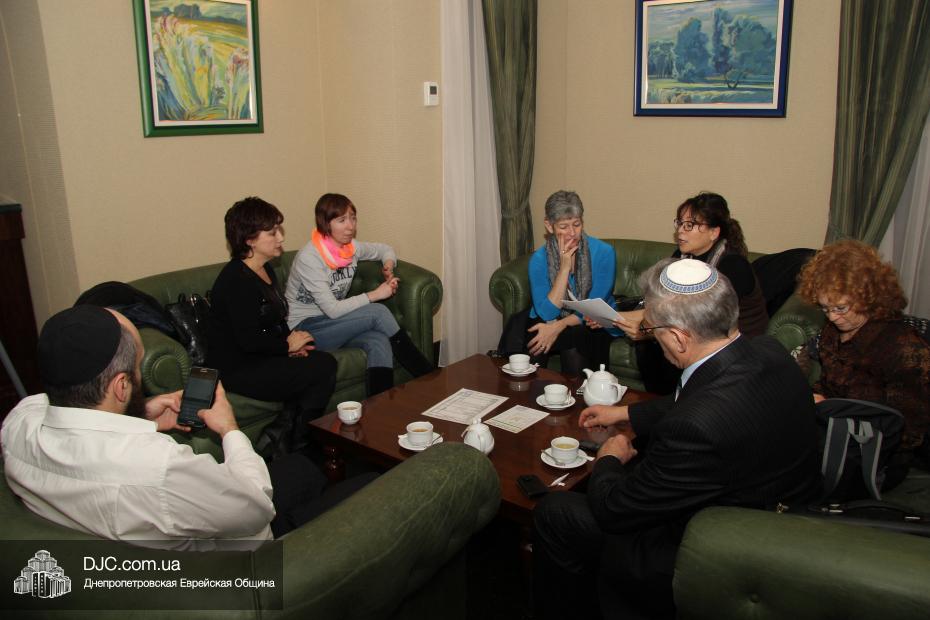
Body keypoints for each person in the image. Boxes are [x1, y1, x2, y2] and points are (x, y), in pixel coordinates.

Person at [532, 259, 821, 620]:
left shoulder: (695, 428)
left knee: (556, 510)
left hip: (718, 546)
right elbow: (695, 396)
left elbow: (615, 509)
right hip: (783, 509)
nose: (650, 335)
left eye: (652, 328)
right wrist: (625, 414)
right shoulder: (769, 351)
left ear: (679, 338)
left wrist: (609, 458)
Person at [2, 306, 374, 549]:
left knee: (302, 467)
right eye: (136, 372)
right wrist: (229, 429)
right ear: (120, 387)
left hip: (140, 529)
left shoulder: (19, 424)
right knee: (368, 484)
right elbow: (257, 507)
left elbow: (66, 418)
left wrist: (145, 412)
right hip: (240, 558)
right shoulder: (159, 466)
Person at [207, 196, 337, 453]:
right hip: (238, 367)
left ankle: (284, 432)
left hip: (262, 356)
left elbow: (275, 320)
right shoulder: (236, 281)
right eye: (272, 232)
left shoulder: (266, 269)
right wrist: (286, 347)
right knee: (322, 368)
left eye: (279, 229)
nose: (280, 237)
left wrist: (291, 346)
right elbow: (248, 340)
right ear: (249, 240)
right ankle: (299, 441)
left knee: (320, 361)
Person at [611, 192, 769, 393]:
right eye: (679, 223)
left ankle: (673, 402)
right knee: (654, 340)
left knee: (656, 338)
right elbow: (663, 305)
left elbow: (702, 319)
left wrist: (648, 330)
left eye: (689, 225)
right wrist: (612, 317)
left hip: (729, 342)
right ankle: (660, 400)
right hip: (692, 329)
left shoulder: (733, 266)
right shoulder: (682, 257)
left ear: (714, 232)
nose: (680, 231)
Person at [284, 193, 434, 396]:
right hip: (305, 330)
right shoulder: (310, 257)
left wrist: (388, 266)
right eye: (341, 220)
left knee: (378, 341)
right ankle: (429, 377)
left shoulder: (351, 248)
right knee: (377, 312)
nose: (350, 226)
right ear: (325, 223)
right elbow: (332, 309)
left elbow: (385, 249)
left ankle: (379, 407)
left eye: (353, 218)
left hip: (335, 323)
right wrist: (375, 294)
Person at [796, 239, 930, 455]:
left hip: (876, 453)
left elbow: (908, 432)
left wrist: (833, 411)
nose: (832, 317)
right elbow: (830, 385)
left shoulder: (903, 349)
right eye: (825, 308)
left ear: (868, 297)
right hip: (836, 431)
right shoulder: (833, 332)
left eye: (840, 308)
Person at [500, 190, 617, 377]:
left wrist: (557, 326)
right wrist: (564, 269)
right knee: (535, 336)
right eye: (564, 226)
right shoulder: (539, 259)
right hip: (553, 316)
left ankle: (575, 393)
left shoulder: (604, 253)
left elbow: (594, 307)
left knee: (574, 340)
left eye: (577, 224)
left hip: (593, 321)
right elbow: (547, 313)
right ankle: (532, 391)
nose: (572, 233)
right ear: (549, 225)